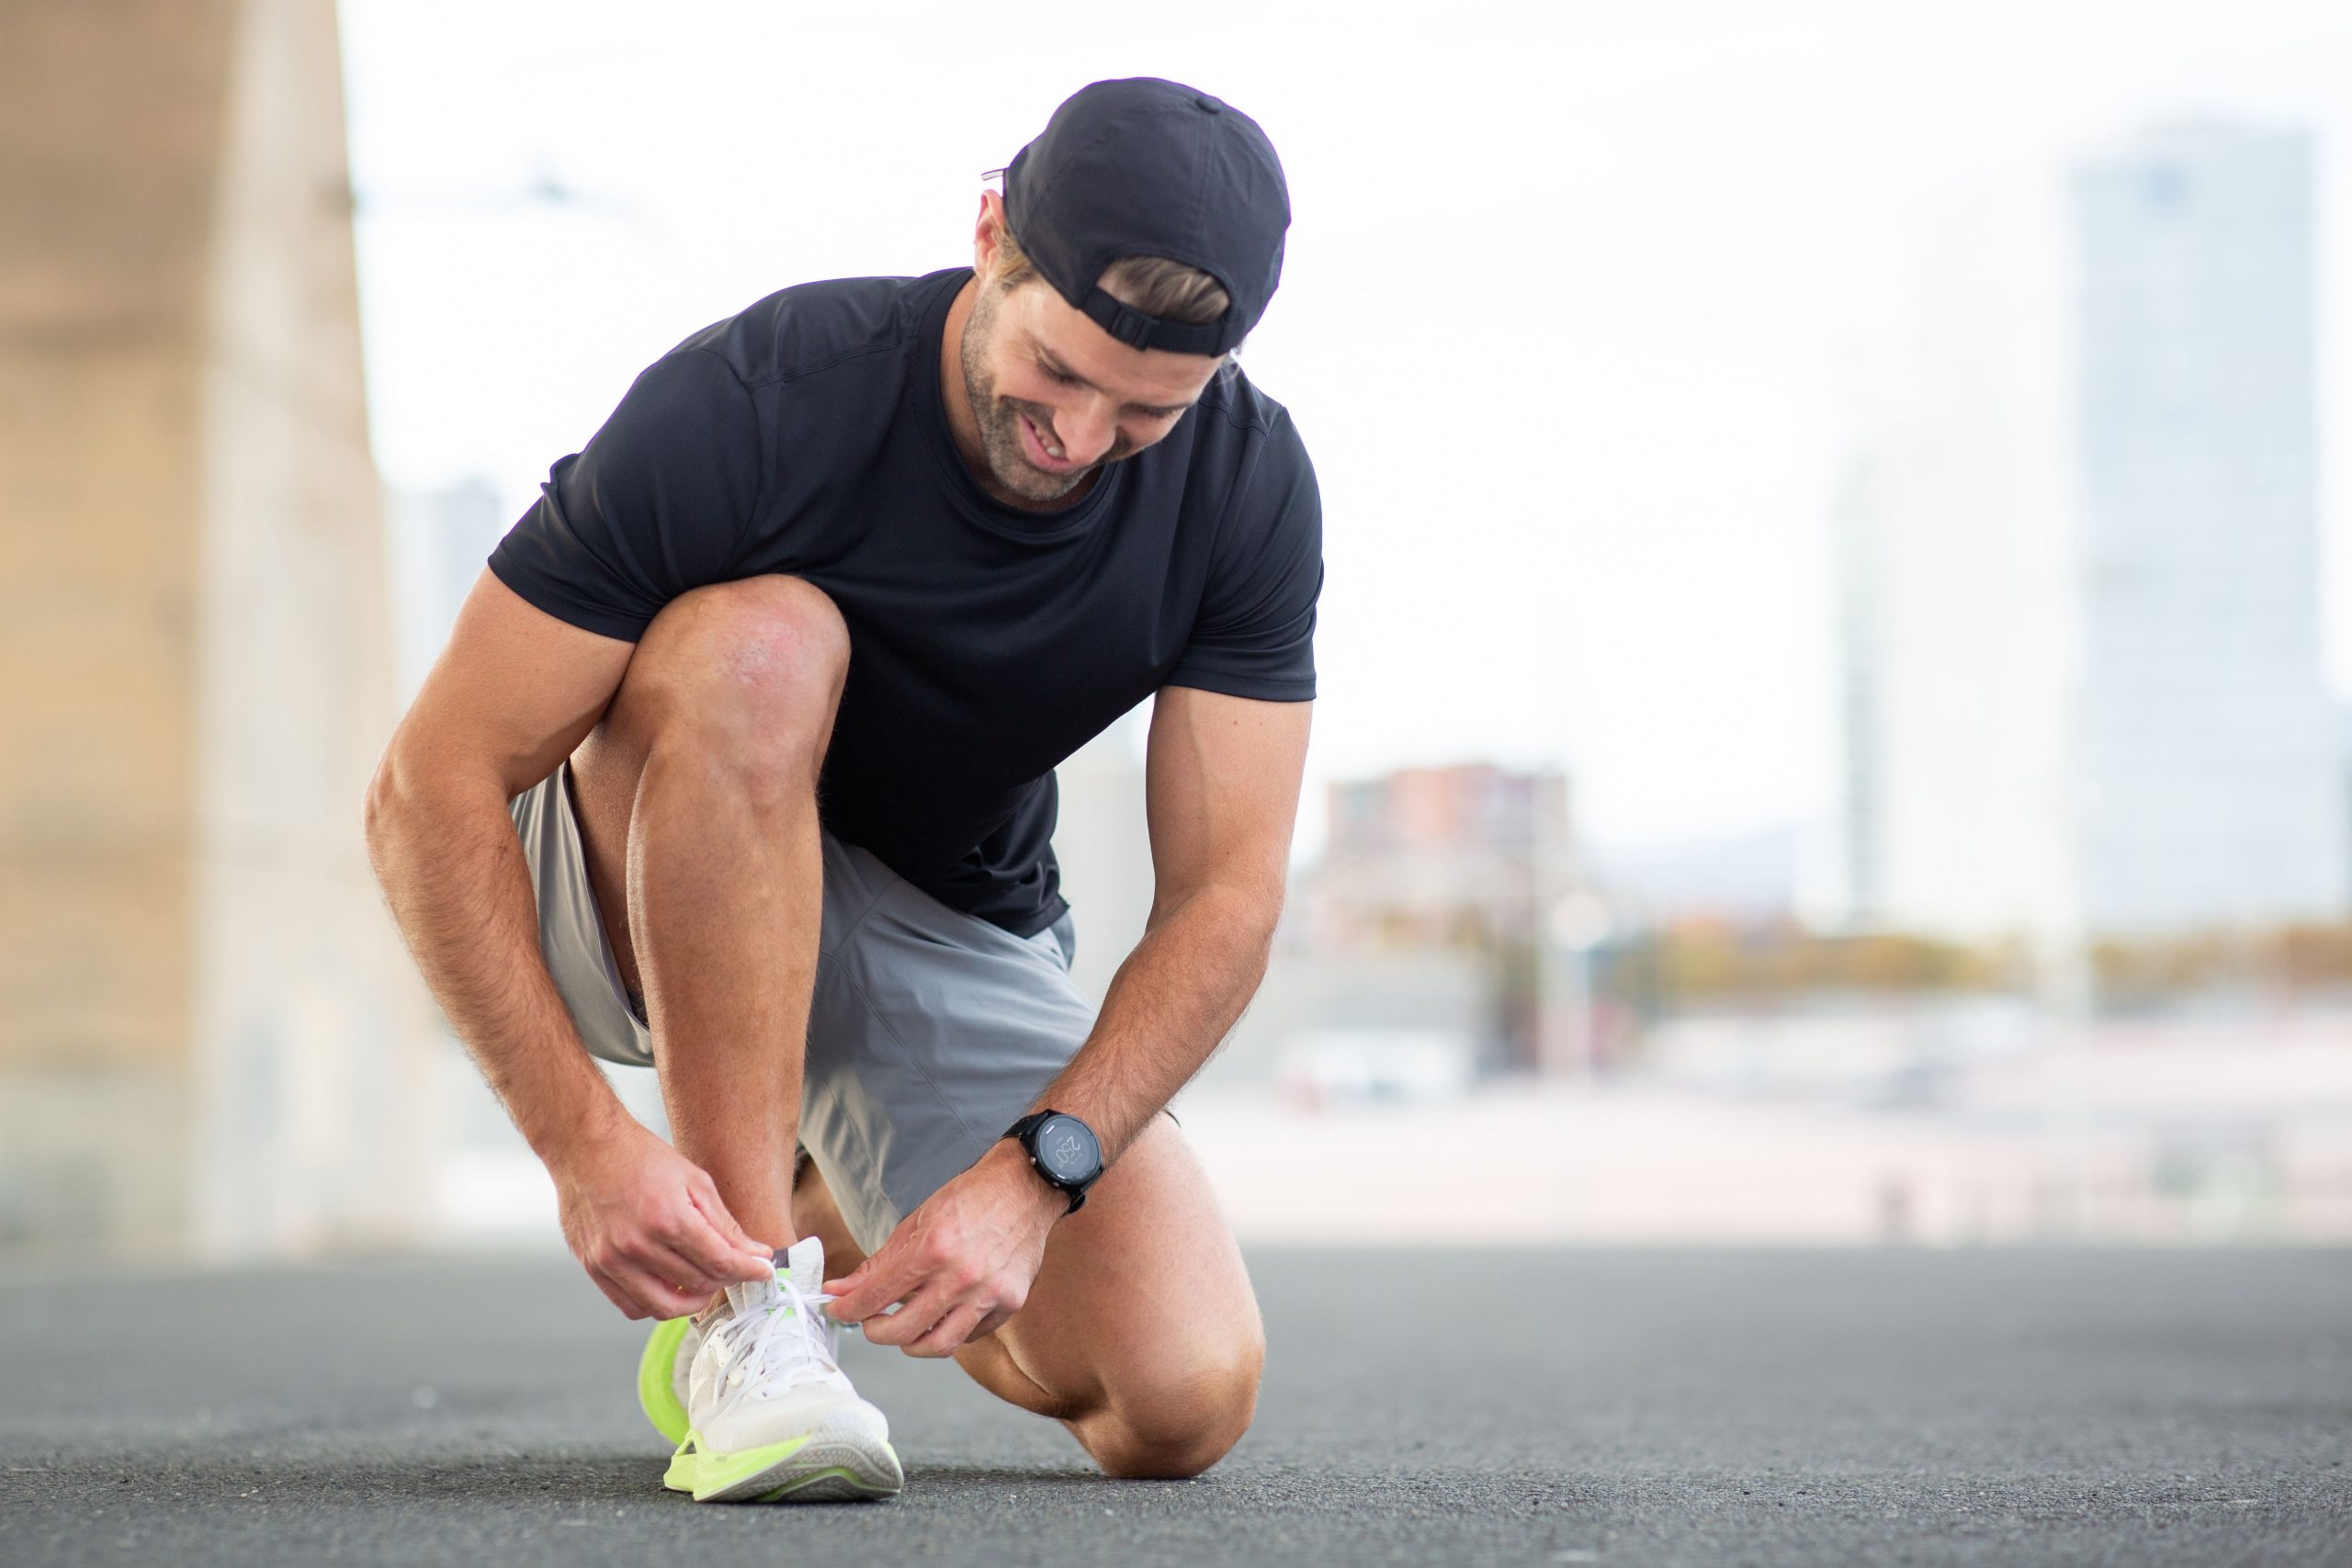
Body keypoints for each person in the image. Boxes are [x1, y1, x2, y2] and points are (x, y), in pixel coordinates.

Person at [363, 76, 1319, 1504]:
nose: (1077, 437)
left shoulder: (1244, 483)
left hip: (939, 918)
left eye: (1143, 412)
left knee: (1179, 1397)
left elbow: (1227, 898)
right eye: (1057, 372)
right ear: (991, 231)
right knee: (762, 644)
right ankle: (743, 1330)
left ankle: (812, 1218)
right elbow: (426, 783)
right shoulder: (757, 401)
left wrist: (1032, 1178)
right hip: (634, 865)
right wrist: (581, 1146)